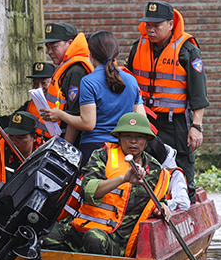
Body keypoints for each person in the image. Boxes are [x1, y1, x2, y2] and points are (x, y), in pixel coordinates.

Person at [42, 112, 171, 257]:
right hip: (82, 226)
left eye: (139, 137)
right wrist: (123, 178)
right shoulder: (102, 156)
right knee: (42, 236)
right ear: (119, 138)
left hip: (115, 238)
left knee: (94, 239)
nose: (133, 141)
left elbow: (158, 200)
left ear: (147, 140)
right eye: (127, 136)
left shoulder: (155, 170)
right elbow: (88, 191)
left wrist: (163, 208)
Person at [126, 0, 209, 203]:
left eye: (157, 25)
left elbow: (198, 93)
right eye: (148, 25)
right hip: (145, 119)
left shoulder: (187, 50)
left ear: (170, 25)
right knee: (145, 163)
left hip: (176, 122)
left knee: (181, 163)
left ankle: (185, 205)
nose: (151, 30)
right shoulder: (138, 47)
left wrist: (197, 126)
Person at [41, 30, 144, 164]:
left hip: (94, 150)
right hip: (123, 149)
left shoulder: (88, 81)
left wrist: (61, 115)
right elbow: (141, 118)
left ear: (91, 54)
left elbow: (88, 124)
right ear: (116, 53)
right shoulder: (131, 80)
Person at [36, 22, 94, 145]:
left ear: (70, 43)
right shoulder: (68, 66)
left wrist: (65, 149)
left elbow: (75, 113)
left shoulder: (76, 71)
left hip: (76, 142)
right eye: (47, 47)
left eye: (54, 47)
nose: (49, 52)